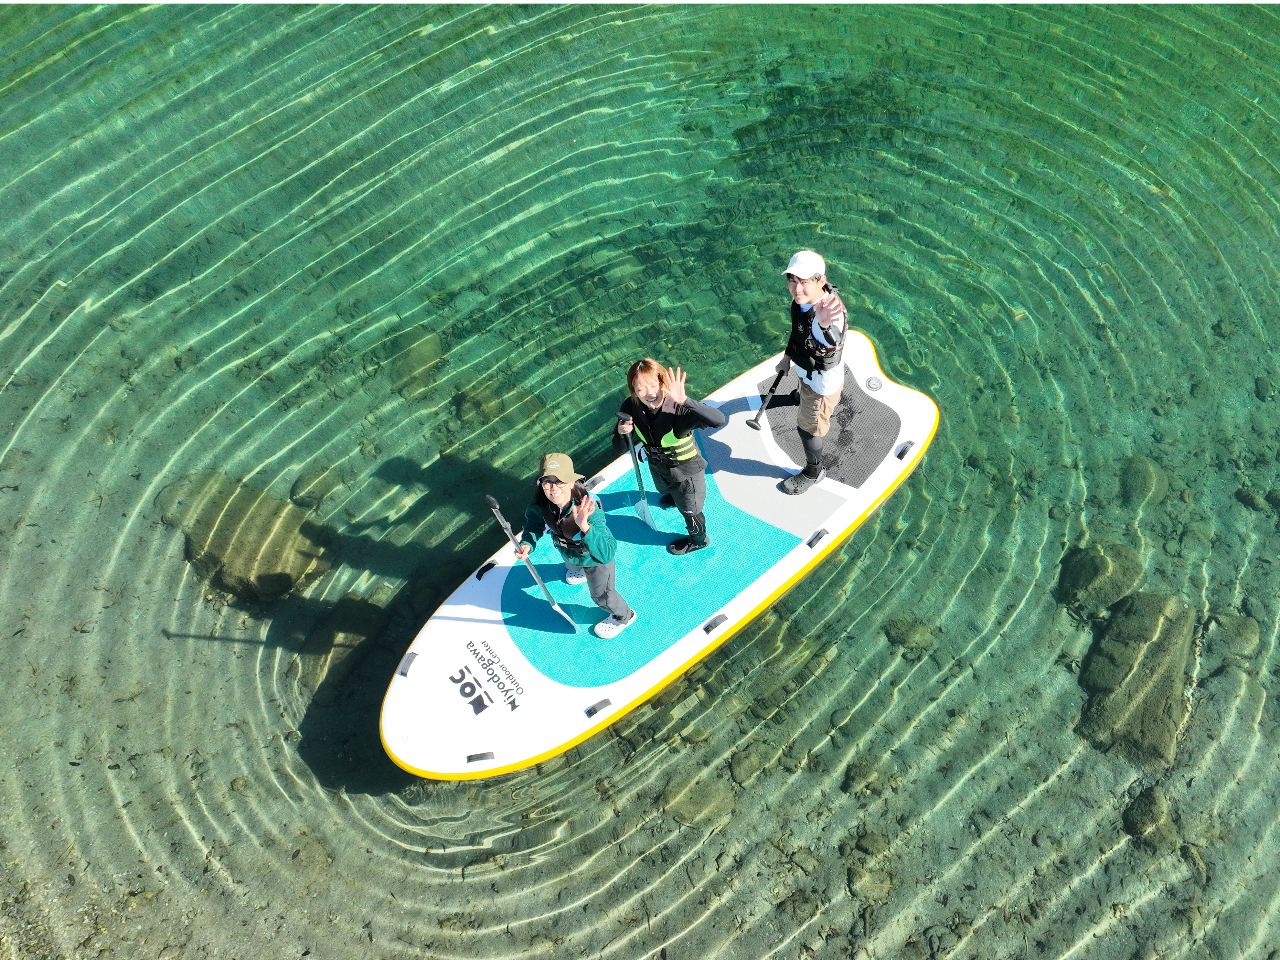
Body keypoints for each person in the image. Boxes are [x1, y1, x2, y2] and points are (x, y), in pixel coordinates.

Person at [515, 453, 637, 639]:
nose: (553, 488)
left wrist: (584, 526)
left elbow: (607, 553)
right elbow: (534, 524)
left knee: (602, 595)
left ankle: (624, 616)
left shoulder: (590, 508)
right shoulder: (540, 501)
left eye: (560, 481)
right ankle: (580, 570)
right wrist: (527, 544)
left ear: (572, 482)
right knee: (571, 564)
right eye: (547, 482)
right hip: (568, 552)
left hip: (594, 558)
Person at [614, 359, 726, 555]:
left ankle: (699, 540)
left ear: (663, 383)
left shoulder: (679, 408)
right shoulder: (630, 406)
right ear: (633, 390)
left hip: (685, 472)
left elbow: (719, 420)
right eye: (641, 389)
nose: (649, 393)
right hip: (658, 467)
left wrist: (685, 400)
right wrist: (621, 433)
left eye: (654, 385)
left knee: (690, 510)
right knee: (664, 489)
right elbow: (619, 448)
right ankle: (674, 497)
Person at [774, 249, 848, 495]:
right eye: (792, 280)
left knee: (808, 429)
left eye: (804, 281)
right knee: (802, 393)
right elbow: (797, 333)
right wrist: (786, 358)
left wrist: (825, 326)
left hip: (820, 387)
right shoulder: (802, 303)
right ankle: (800, 396)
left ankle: (814, 471)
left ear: (821, 281)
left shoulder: (829, 314)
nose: (797, 289)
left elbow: (832, 342)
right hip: (805, 374)